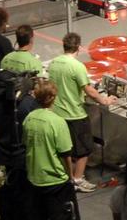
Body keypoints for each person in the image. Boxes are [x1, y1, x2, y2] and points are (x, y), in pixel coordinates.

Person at [23, 80, 81, 220]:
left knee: (34, 214)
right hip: (54, 178)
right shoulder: (57, 122)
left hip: (34, 175)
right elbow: (65, 153)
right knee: (58, 217)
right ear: (52, 98)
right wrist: (71, 176)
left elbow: (25, 143)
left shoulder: (29, 118)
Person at [48, 32, 115, 192]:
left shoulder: (54, 63)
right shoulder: (77, 66)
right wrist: (104, 100)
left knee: (65, 148)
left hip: (57, 113)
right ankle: (78, 179)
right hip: (74, 114)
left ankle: (68, 176)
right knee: (84, 149)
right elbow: (89, 90)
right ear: (78, 47)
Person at [0, 63, 38, 220]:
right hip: (19, 156)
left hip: (0, 155)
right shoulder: (25, 104)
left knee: (3, 189)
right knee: (23, 194)